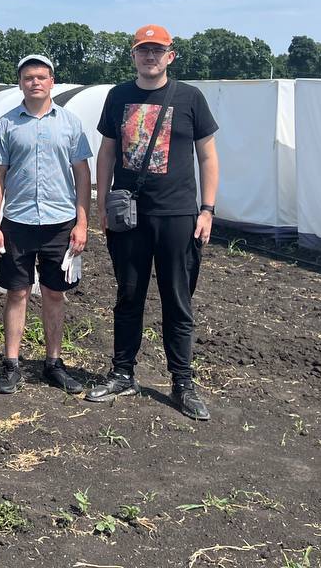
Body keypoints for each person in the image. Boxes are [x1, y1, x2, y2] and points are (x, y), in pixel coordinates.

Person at [87, 25, 220, 421]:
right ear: (134, 56)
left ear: (170, 55)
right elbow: (107, 152)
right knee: (129, 296)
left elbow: (208, 157)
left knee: (177, 300)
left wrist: (207, 209)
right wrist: (101, 202)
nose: (150, 57)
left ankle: (183, 383)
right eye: (143, 51)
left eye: (157, 51)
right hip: (129, 216)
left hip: (178, 215)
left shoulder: (190, 98)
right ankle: (122, 373)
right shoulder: (118, 96)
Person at [0, 54, 92, 396]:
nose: (35, 82)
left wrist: (82, 223)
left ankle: (53, 363)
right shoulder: (6, 124)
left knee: (54, 293)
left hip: (60, 223)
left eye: (42, 77)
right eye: (29, 77)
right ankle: (12, 364)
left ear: (52, 82)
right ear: (20, 83)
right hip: (17, 221)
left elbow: (82, 174)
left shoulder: (71, 124)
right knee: (16, 292)